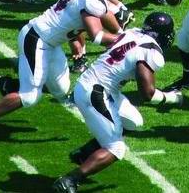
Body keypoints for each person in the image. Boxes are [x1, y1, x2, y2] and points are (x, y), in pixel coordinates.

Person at [0, 0, 129, 145]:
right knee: (30, 96)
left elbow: (103, 11)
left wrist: (121, 32)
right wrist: (124, 42)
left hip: (51, 43)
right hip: (37, 39)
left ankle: (11, 85)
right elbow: (97, 36)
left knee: (60, 88)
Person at [52, 12, 181, 193]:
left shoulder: (132, 33)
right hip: (96, 92)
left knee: (134, 121)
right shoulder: (150, 51)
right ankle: (69, 180)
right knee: (117, 148)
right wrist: (172, 97)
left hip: (94, 84)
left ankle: (85, 154)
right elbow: (147, 94)